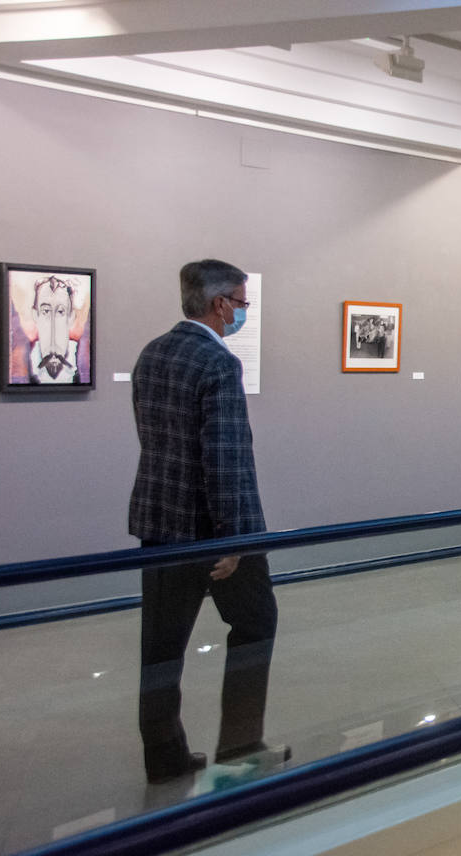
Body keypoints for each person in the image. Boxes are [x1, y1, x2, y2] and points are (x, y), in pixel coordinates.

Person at [129, 259, 289, 784]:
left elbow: (157, 443)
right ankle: (241, 747)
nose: (242, 313)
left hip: (160, 521)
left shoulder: (153, 353)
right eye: (241, 304)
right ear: (220, 304)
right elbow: (224, 459)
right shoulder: (218, 364)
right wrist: (234, 540)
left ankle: (165, 756)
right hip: (214, 530)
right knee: (256, 622)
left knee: (161, 644)